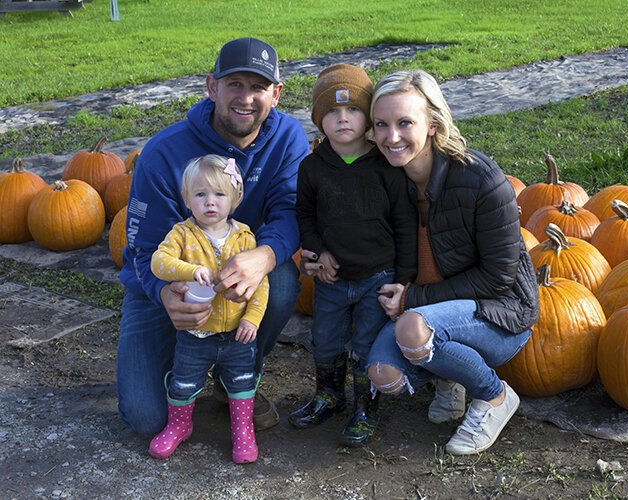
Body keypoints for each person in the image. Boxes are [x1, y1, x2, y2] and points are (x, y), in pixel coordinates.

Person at [117, 37, 309, 437]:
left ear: (276, 94)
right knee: (146, 417)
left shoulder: (288, 138)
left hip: (240, 279)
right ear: (211, 87)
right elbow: (143, 248)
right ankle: (184, 358)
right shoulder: (162, 154)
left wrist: (264, 256)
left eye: (257, 87)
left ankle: (236, 377)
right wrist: (163, 292)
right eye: (234, 84)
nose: (246, 97)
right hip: (174, 282)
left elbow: (289, 209)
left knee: (283, 280)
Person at [364, 70, 539, 455]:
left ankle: (494, 396)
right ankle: (449, 378)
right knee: (384, 375)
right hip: (426, 309)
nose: (391, 137)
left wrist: (412, 299)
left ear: (433, 124)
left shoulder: (481, 178)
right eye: (381, 124)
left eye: (405, 123)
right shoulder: (391, 180)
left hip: (499, 314)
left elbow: (499, 276)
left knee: (412, 328)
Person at [291, 64, 417, 446]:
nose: (342, 119)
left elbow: (406, 223)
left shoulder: (387, 169)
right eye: (331, 112)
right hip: (332, 278)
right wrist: (317, 251)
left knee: (366, 345)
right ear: (318, 121)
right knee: (325, 339)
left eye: (353, 110)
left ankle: (366, 405)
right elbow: (305, 216)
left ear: (369, 117)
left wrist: (404, 276)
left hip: (378, 278)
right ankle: (328, 395)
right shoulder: (312, 168)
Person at [147, 154, 268, 463]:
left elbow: (260, 285)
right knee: (184, 382)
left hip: (236, 334)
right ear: (188, 200)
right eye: (200, 194)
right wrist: (188, 271)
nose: (210, 202)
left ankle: (242, 431)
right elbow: (158, 262)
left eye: (219, 194)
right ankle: (180, 425)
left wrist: (253, 319)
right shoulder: (182, 235)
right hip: (195, 333)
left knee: (241, 382)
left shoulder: (244, 237)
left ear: (235, 199)